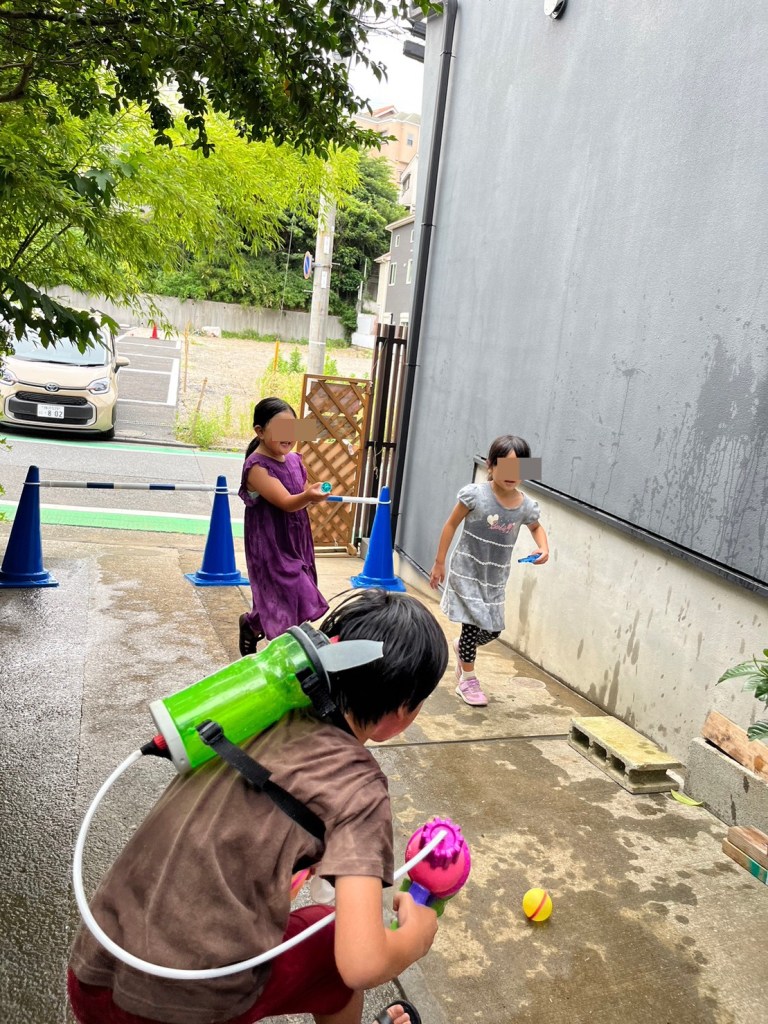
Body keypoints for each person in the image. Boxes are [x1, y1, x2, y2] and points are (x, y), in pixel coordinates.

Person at [68, 589, 449, 1024]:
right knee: (332, 943)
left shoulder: (254, 719)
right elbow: (362, 962)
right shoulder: (359, 788)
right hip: (176, 1011)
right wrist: (415, 937)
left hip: (92, 975)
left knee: (314, 921)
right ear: (403, 711)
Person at [429, 434, 549, 707]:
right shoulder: (475, 495)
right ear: (491, 466)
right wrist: (439, 562)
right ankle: (467, 680)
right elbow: (450, 524)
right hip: (467, 571)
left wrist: (543, 548)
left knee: (493, 630)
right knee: (472, 625)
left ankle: (463, 647)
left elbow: (536, 527)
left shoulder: (525, 506)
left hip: (494, 578)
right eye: (505, 467)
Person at [238, 397, 329, 656]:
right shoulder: (257, 467)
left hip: (296, 539)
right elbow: (287, 502)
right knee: (294, 593)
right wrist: (308, 496)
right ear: (260, 431)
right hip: (271, 545)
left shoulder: (294, 460)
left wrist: (312, 494)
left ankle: (252, 624)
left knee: (282, 597)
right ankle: (288, 655)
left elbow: (300, 492)